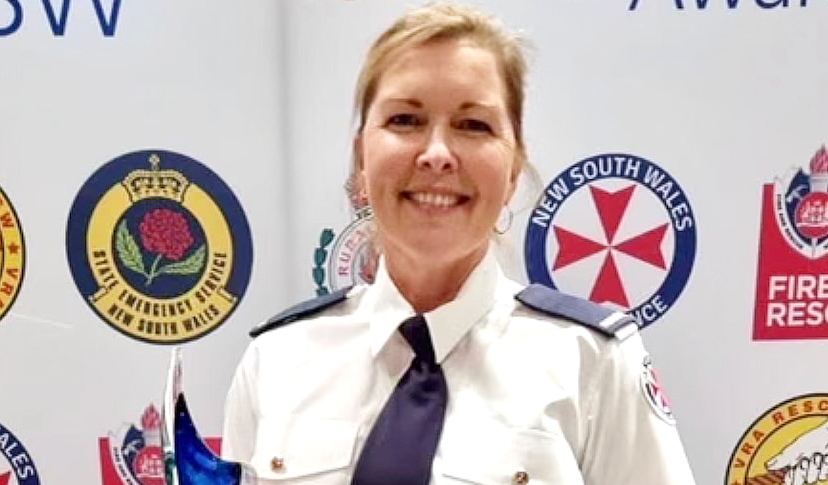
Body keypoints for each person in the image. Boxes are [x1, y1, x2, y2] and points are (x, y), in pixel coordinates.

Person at [222, 2, 697, 484]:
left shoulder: (591, 362)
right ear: (361, 161)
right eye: (405, 119)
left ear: (513, 171)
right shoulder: (277, 359)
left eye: (474, 125)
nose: (437, 154)